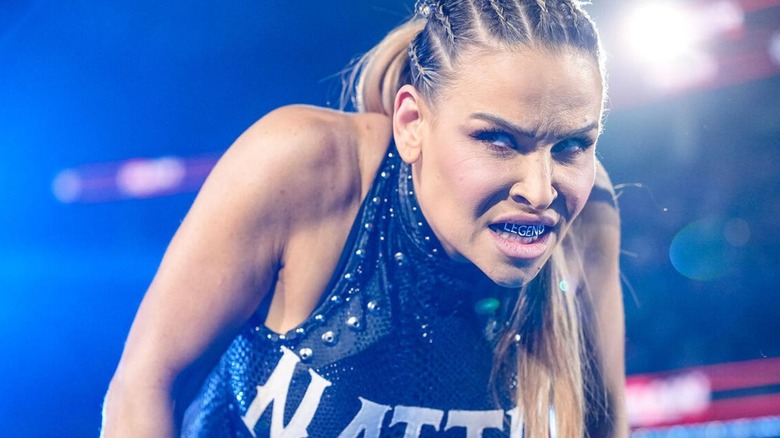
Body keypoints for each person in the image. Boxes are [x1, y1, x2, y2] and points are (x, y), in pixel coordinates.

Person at [101, 0, 626, 436]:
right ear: (412, 122)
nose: (540, 190)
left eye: (574, 145)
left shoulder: (588, 214)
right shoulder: (306, 168)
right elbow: (144, 384)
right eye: (497, 140)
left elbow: (605, 425)